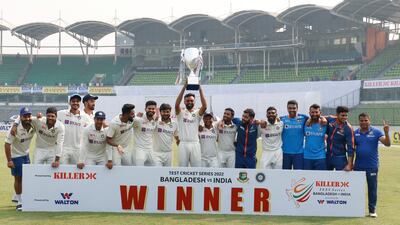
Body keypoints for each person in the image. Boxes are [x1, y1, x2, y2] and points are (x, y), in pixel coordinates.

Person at [354, 113, 391, 218]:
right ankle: (356, 209)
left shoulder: (376, 132)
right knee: (357, 189)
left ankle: (372, 210)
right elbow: (350, 149)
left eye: (366, 120)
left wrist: (387, 133)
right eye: (361, 120)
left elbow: (387, 144)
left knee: (372, 189)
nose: (364, 122)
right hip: (358, 166)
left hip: (372, 166)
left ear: (369, 121)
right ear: (359, 121)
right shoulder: (355, 133)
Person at [4, 107, 34, 211]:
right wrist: (9, 160)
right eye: (24, 116)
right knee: (19, 178)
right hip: (16, 156)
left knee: (26, 178)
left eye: (29, 115)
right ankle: (20, 202)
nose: (27, 118)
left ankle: (16, 196)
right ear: (20, 117)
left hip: (26, 154)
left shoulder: (33, 123)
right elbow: (7, 144)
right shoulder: (13, 129)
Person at [175, 81, 207, 167]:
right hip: (183, 144)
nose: (190, 102)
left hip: (195, 143)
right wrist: (184, 87)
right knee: (182, 168)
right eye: (187, 100)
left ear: (194, 102)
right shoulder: (180, 113)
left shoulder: (197, 113)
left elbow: (204, 106)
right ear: (184, 102)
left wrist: (199, 87)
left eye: (192, 101)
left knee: (196, 169)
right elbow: (176, 104)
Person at [58, 94, 91, 164]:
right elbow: (50, 119)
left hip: (78, 148)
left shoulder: (86, 117)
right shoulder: (61, 113)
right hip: (64, 148)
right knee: (63, 170)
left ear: (80, 103)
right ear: (69, 103)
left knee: (77, 171)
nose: (75, 103)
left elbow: (92, 129)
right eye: (73, 101)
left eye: (77, 101)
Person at [280, 100, 309, 170]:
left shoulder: (303, 118)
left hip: (299, 153)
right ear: (287, 109)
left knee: (299, 175)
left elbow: (316, 117)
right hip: (285, 153)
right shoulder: (282, 119)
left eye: (294, 108)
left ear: (297, 108)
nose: (292, 110)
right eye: (290, 108)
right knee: (286, 175)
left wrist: (323, 119)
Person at [326, 106, 355, 171]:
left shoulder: (348, 128)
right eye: (342, 115)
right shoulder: (331, 119)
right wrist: (310, 120)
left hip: (340, 158)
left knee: (342, 179)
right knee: (325, 178)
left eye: (346, 115)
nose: (344, 117)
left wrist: (350, 164)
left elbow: (351, 147)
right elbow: (319, 117)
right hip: (328, 156)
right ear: (337, 114)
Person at [303, 104, 327, 170]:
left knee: (320, 178)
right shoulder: (305, 123)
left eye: (316, 112)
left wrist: (323, 118)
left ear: (320, 113)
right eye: (312, 112)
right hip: (307, 157)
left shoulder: (324, 124)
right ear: (309, 113)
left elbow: (335, 117)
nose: (314, 114)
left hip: (320, 157)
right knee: (307, 178)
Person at [133, 100, 157, 166]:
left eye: (153, 109)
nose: (151, 110)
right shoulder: (138, 118)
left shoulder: (155, 120)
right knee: (139, 170)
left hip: (150, 149)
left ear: (155, 109)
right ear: (145, 109)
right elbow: (128, 121)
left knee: (154, 168)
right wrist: (135, 116)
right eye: (149, 108)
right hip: (139, 149)